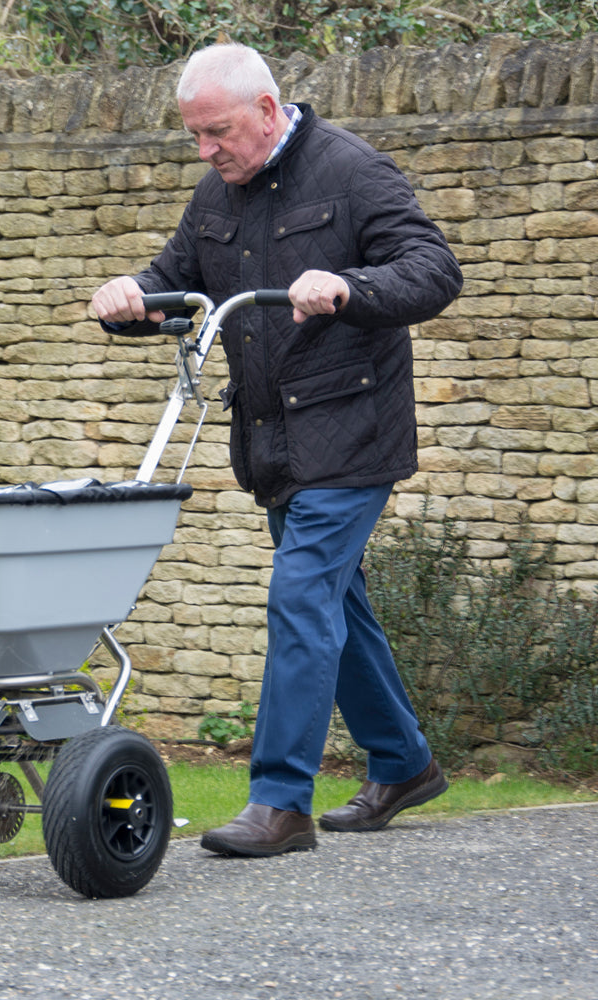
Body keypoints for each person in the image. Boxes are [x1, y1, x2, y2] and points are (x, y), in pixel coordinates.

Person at [91, 43, 463, 857]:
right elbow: (177, 285)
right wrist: (130, 299)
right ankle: (404, 763)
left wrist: (350, 287)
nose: (205, 150)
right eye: (194, 135)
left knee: (300, 597)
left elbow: (434, 270)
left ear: (266, 111)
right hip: (272, 443)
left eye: (217, 132)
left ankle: (281, 800)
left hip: (352, 433)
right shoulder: (215, 192)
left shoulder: (353, 171)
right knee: (335, 605)